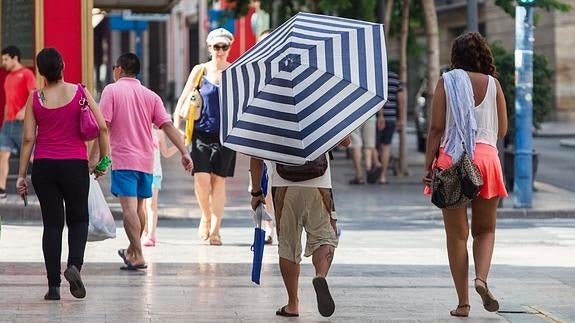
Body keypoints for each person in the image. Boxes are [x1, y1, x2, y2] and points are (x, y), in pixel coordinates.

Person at [422, 32, 508, 317]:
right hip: (486, 159)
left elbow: (435, 128)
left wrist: (428, 166)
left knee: (457, 236)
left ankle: (463, 303)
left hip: (452, 160)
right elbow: (502, 130)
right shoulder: (494, 85)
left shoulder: (447, 82)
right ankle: (481, 279)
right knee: (485, 230)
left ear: (455, 57)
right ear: (484, 54)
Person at [15, 47, 110, 300]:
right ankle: (74, 267)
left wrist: (21, 175)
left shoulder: (36, 98)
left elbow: (27, 138)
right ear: (63, 66)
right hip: (74, 165)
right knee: (78, 219)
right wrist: (103, 161)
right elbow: (102, 126)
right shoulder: (80, 92)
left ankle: (53, 287)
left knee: (53, 225)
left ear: (40, 71)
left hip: (44, 167)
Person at [98, 53, 192, 270]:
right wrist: (184, 152)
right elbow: (167, 126)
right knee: (140, 206)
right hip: (146, 160)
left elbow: (103, 126)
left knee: (129, 208)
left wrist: (97, 157)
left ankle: (138, 254)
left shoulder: (112, 91)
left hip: (123, 159)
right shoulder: (151, 96)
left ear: (119, 69)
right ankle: (132, 251)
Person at [249, 136, 350, 318]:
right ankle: (320, 275)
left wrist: (256, 191)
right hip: (319, 183)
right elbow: (345, 141)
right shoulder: (321, 107)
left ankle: (293, 304)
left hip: (283, 184)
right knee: (324, 237)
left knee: (288, 245)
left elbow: (255, 155)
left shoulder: (269, 109)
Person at [174, 28, 236, 246]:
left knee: (219, 182)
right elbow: (183, 98)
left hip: (226, 136)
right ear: (209, 48)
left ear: (229, 48)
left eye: (224, 47)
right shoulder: (200, 71)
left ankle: (216, 230)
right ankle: (206, 215)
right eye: (216, 47)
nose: (220, 51)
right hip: (200, 133)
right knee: (201, 180)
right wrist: (175, 127)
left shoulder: (234, 72)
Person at [1, 45, 36, 198]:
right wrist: (3, 121)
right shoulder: (8, 77)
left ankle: (49, 180)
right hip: (7, 124)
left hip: (22, 124)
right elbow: (8, 103)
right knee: (3, 155)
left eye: (6, 59)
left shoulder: (27, 74)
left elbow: (33, 94)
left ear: (15, 58)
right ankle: (1, 189)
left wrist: (24, 111)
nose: (4, 62)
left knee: (32, 156)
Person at [142, 127, 179, 247]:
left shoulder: (159, 133)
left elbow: (166, 152)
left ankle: (151, 236)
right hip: (139, 172)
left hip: (154, 173)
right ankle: (144, 231)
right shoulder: (137, 128)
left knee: (151, 204)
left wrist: (180, 146)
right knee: (141, 206)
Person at [376, 71, 405, 184]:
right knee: (386, 146)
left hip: (379, 118)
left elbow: (380, 98)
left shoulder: (378, 77)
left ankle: (377, 166)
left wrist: (381, 115)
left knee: (377, 146)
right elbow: (401, 101)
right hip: (391, 118)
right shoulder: (396, 78)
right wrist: (401, 119)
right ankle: (382, 176)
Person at [348, 118, 381, 184]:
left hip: (355, 117)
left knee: (356, 145)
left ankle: (359, 176)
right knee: (369, 145)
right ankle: (369, 168)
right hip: (370, 116)